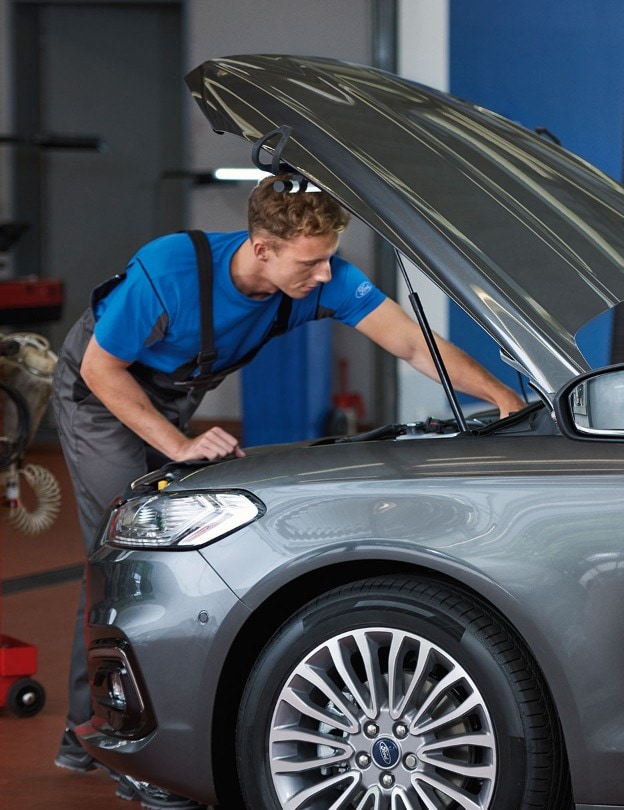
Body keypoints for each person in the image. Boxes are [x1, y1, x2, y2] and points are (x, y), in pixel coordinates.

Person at [50, 174, 525, 808]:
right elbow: (101, 369)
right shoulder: (171, 271)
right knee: (123, 558)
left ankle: (94, 728)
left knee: (146, 551)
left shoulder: (312, 281)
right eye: (312, 261)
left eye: (329, 256)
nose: (326, 274)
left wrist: (504, 399)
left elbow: (413, 343)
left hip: (166, 393)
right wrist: (179, 446)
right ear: (263, 248)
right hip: (99, 395)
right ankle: (108, 736)